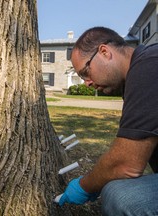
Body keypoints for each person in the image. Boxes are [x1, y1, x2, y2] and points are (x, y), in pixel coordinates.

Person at [58, 27, 158, 215]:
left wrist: (85, 185)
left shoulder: (149, 66)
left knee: (121, 197)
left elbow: (126, 164)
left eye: (85, 72)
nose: (86, 82)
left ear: (104, 52)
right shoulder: (140, 71)